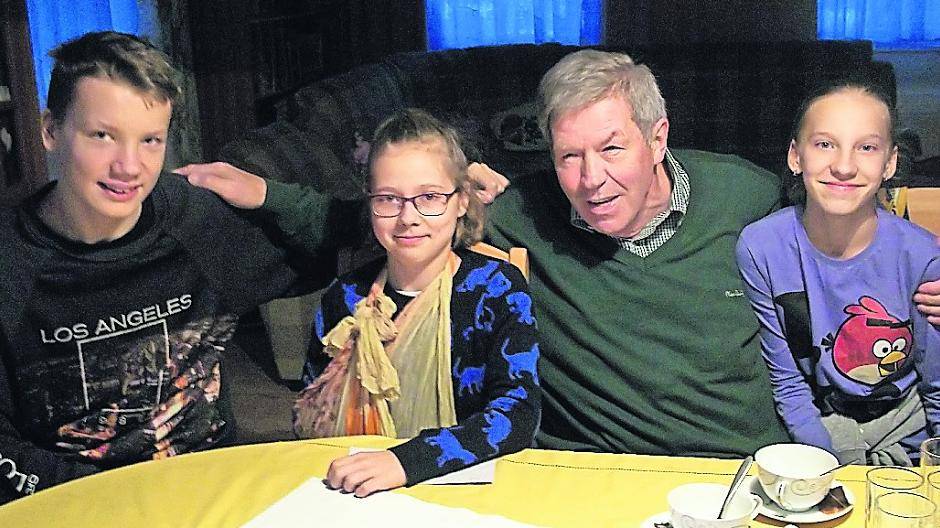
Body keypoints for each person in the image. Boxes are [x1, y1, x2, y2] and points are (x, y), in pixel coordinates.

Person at [180, 50, 940, 458]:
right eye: (570, 155)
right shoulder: (526, 213)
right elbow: (394, 213)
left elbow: (849, 243)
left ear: (658, 136)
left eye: (612, 147)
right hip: (584, 475)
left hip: (739, 471)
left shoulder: (744, 195)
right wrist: (263, 192)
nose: (592, 178)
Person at [0, 31, 348, 504]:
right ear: (50, 131)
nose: (129, 166)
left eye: (150, 140)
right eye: (102, 136)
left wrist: (269, 194)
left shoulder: (197, 222)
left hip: (210, 485)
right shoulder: (11, 265)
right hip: (74, 501)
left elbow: (354, 235)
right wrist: (107, 499)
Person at [289, 109, 539, 498]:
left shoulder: (496, 289)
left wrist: (407, 462)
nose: (408, 217)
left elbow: (518, 412)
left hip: (465, 492)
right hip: (353, 493)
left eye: (430, 197)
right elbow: (310, 416)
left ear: (460, 202)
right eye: (388, 199)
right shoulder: (344, 298)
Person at [735, 80, 940, 465]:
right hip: (820, 439)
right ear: (796, 157)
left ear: (890, 163)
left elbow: (938, 387)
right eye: (825, 144)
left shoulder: (923, 256)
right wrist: (830, 467)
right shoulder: (761, 248)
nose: (844, 167)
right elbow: (788, 382)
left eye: (866, 147)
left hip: (910, 439)